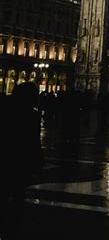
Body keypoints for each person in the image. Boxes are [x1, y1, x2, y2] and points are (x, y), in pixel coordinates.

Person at [0, 82, 43, 238]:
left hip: (7, 160)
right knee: (17, 195)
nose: (38, 98)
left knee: (5, 193)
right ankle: (12, 229)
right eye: (35, 95)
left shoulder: (5, 108)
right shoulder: (30, 115)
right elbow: (32, 141)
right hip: (18, 162)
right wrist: (38, 161)